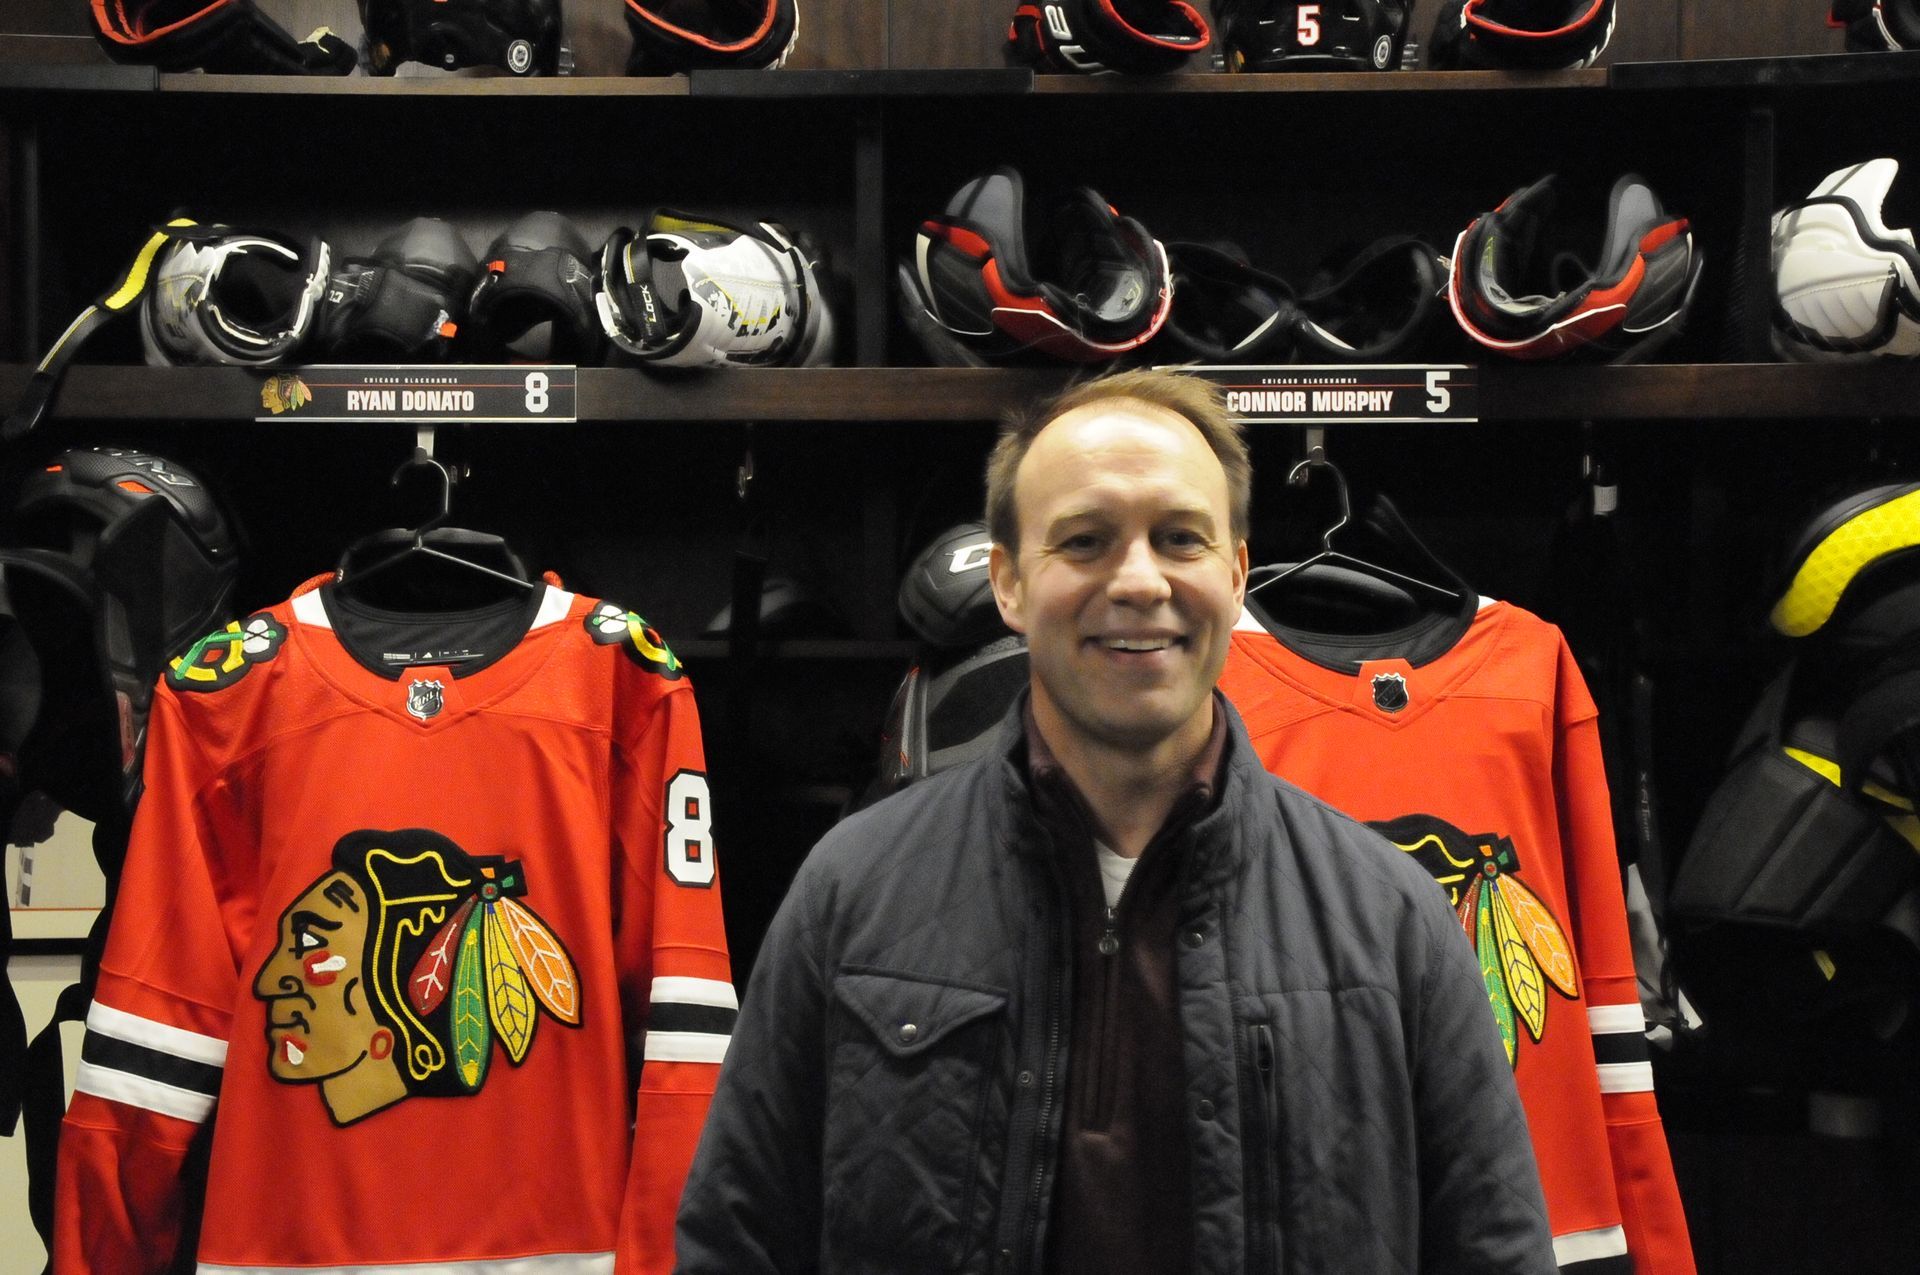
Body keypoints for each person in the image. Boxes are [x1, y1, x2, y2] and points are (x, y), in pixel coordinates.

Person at [674, 368, 1556, 1274]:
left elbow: (1497, 1250)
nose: (1139, 582)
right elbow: (734, 1243)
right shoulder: (851, 892)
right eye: (1086, 541)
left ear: (1237, 572)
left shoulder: (1393, 922)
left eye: (1180, 538)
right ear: (1010, 582)